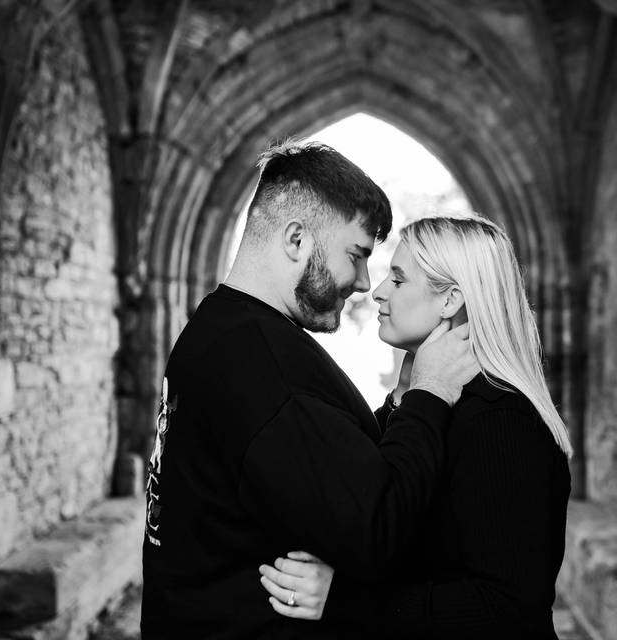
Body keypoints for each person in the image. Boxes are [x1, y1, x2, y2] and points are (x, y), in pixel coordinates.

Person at [140, 142, 479, 640]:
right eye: (357, 254)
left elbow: (323, 469)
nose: (365, 282)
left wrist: (402, 401)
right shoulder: (261, 363)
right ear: (297, 239)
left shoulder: (223, 331)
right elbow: (378, 529)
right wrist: (431, 392)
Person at [258, 215, 573, 639]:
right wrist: (412, 393)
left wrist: (343, 600)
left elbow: (508, 605)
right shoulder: (424, 402)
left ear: (451, 300)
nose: (379, 292)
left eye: (399, 280)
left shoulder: (502, 419)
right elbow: (376, 497)